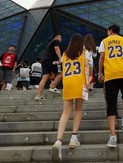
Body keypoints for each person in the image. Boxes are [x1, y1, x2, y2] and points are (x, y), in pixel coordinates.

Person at [51, 33, 91, 163]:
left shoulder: (65, 53)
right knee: (78, 110)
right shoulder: (83, 52)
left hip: (67, 83)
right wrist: (87, 82)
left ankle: (58, 141)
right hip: (79, 82)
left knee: (65, 112)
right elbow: (86, 69)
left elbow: (62, 68)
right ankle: (74, 138)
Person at [98, 24, 123, 148]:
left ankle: (113, 137)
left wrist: (100, 73)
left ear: (110, 31)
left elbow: (102, 57)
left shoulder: (104, 41)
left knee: (111, 103)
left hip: (111, 75)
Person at [35, 34, 63, 100]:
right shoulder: (56, 41)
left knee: (44, 77)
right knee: (60, 73)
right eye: (60, 37)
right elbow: (56, 48)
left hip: (44, 61)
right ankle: (52, 87)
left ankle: (39, 95)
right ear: (56, 37)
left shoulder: (49, 44)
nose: (61, 39)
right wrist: (60, 58)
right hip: (52, 61)